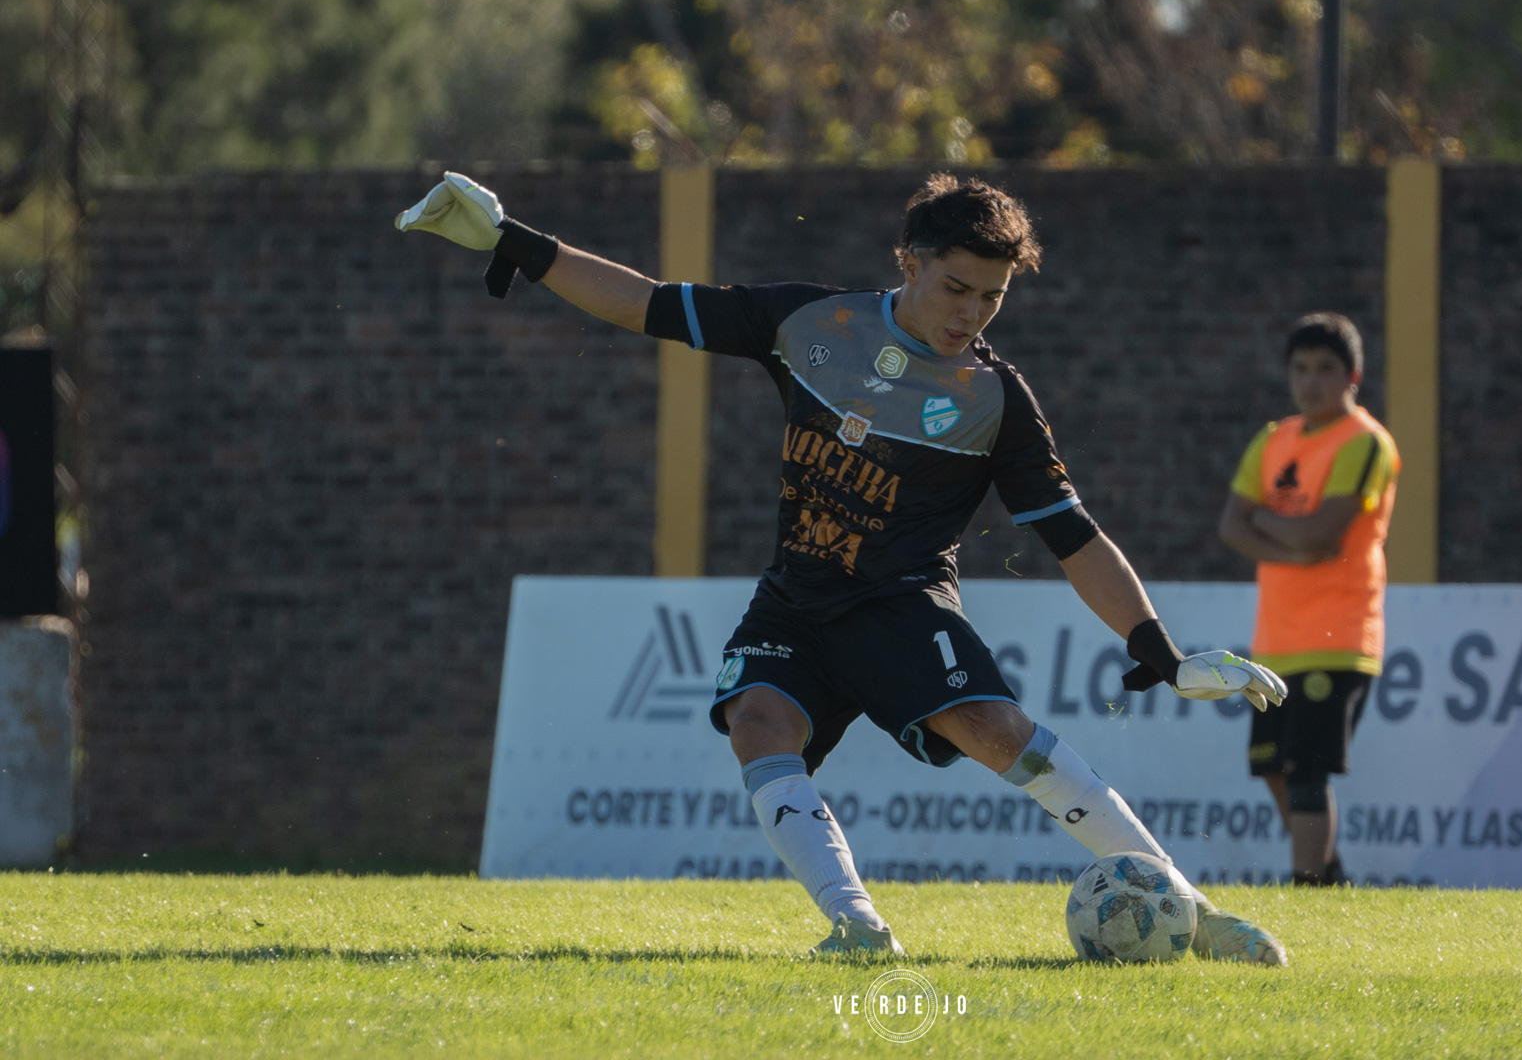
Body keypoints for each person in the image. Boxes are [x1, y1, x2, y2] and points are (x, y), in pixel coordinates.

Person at [397, 170, 1289, 962]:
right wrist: (520, 241)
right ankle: (856, 925)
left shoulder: (994, 399)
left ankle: (1191, 912)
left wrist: (1160, 649)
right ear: (908, 260)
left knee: (994, 735)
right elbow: (646, 302)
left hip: (903, 605)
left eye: (991, 297)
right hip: (797, 598)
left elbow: (1074, 536)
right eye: (955, 287)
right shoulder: (809, 322)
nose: (969, 314)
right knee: (756, 721)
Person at [1217, 313, 1400, 886]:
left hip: (1339, 634)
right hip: (1276, 639)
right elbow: (1231, 525)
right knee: (1272, 767)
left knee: (1307, 770)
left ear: (1354, 377)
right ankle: (1330, 878)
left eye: (1326, 369)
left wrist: (1273, 529)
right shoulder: (1274, 440)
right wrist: (1291, 542)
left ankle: (1305, 886)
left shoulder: (1366, 442)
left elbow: (1322, 534)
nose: (1311, 381)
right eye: (1300, 369)